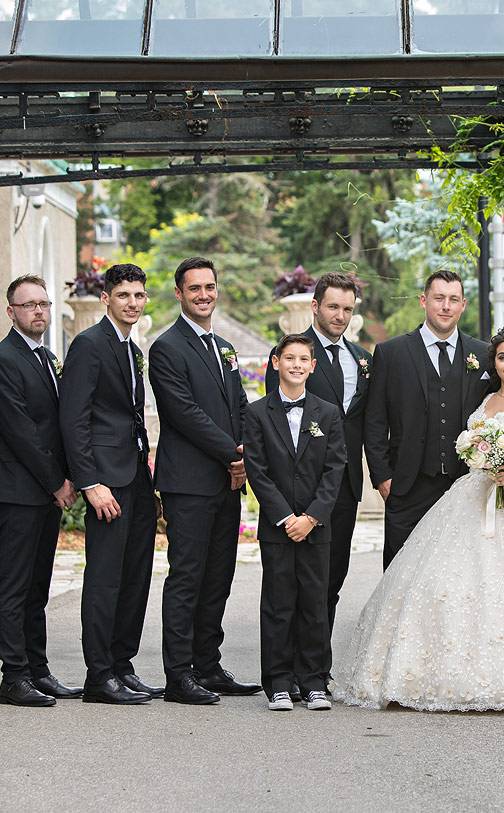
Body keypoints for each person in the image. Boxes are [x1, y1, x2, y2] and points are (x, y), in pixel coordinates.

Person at [334, 325, 504, 714]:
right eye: (502, 357)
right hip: (473, 497)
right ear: (492, 362)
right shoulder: (483, 399)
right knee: (448, 581)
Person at [364, 270, 504, 569]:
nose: (446, 306)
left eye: (453, 299)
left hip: (466, 485)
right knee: (401, 570)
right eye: (438, 298)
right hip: (407, 484)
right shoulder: (392, 352)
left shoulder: (482, 354)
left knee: (457, 573)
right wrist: (383, 477)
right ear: (423, 300)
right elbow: (375, 419)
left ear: (463, 304)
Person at [148, 256, 260, 704]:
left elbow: (240, 405)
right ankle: (178, 675)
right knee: (187, 577)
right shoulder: (166, 347)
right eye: (194, 288)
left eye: (209, 287)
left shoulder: (224, 347)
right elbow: (184, 414)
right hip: (188, 483)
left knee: (219, 577)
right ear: (179, 293)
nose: (203, 295)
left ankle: (208, 666)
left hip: (227, 481)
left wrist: (248, 452)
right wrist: (234, 453)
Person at [60, 263, 162, 705]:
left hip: (137, 476)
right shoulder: (89, 344)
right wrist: (90, 482)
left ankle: (122, 665)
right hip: (106, 480)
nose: (133, 303)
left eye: (139, 295)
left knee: (135, 576)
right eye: (124, 295)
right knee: (104, 579)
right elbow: (74, 419)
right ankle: (99, 676)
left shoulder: (129, 345)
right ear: (106, 298)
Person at [0, 274, 81, 707]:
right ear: (11, 312)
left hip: (43, 493)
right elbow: (20, 432)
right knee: (15, 586)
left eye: (43, 304)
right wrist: (57, 481)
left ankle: (37, 670)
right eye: (28, 305)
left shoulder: (46, 357)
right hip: (18, 491)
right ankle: (13, 676)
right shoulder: (2, 359)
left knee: (38, 586)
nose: (38, 311)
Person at [264, 272, 372, 673]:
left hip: (342, 486)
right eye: (332, 307)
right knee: (292, 582)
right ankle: (288, 668)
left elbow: (370, 423)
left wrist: (379, 474)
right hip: (297, 489)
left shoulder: (363, 359)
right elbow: (272, 423)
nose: (340, 315)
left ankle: (315, 667)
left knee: (331, 579)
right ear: (315, 306)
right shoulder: (292, 355)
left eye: (347, 308)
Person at [244, 334, 346, 712]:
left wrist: (312, 517)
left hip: (316, 527)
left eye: (304, 359)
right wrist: (287, 517)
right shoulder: (256, 414)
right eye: (290, 358)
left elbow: (335, 468)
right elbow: (257, 470)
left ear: (313, 366)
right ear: (275, 362)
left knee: (314, 603)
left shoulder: (329, 413)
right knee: (278, 602)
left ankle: (315, 680)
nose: (297, 365)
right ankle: (279, 683)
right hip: (277, 526)